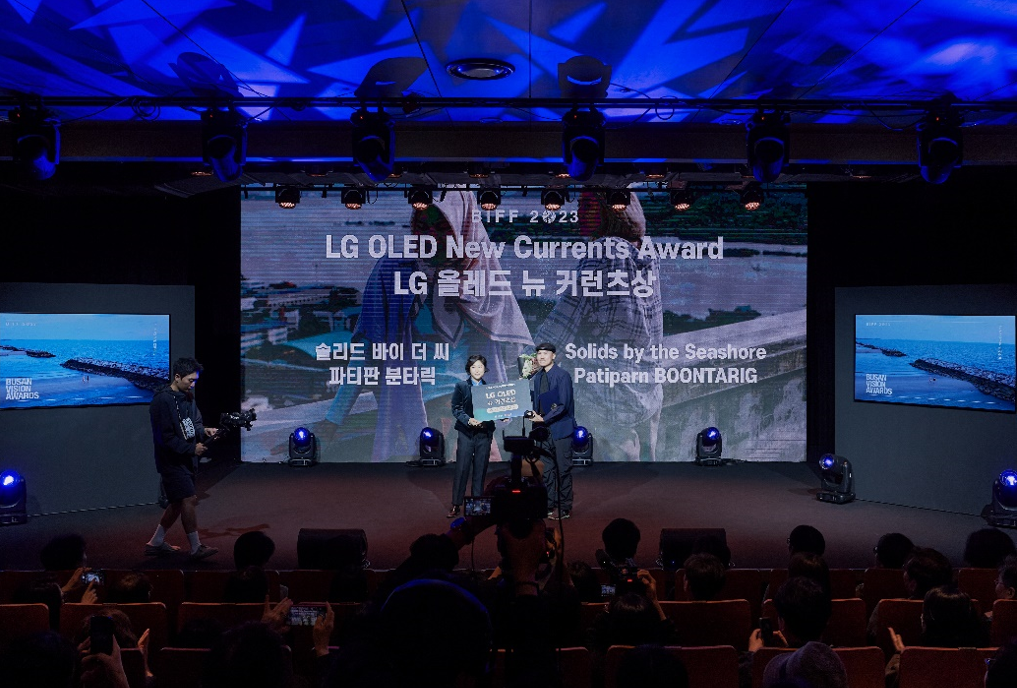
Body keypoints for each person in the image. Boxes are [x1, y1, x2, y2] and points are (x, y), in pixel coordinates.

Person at [534, 191, 663, 461]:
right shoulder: (643, 250)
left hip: (607, 393)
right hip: (646, 389)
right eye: (579, 205)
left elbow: (561, 325)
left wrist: (525, 360)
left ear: (611, 211)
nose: (580, 212)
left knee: (608, 483)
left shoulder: (602, 251)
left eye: (589, 205)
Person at [145, 357, 219, 560]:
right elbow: (165, 438)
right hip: (171, 461)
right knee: (188, 499)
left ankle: (155, 543)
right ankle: (196, 547)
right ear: (177, 377)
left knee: (177, 502)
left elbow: (192, 424)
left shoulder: (187, 398)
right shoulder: (162, 401)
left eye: (195, 381)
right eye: (189, 380)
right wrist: (191, 449)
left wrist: (205, 430)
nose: (192, 385)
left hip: (185, 459)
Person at [529, 342, 576, 519]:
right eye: (539, 353)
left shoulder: (562, 376)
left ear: (553, 356)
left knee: (563, 469)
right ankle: (548, 505)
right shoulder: (537, 377)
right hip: (542, 431)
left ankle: (564, 506)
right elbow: (538, 402)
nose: (541, 356)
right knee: (547, 471)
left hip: (560, 430)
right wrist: (534, 415)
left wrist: (544, 418)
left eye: (545, 353)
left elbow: (563, 404)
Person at [447, 354, 496, 518]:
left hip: (484, 434)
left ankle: (477, 505)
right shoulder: (461, 386)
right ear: (469, 369)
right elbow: (456, 408)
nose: (477, 370)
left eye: (480, 367)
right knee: (462, 469)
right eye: (474, 367)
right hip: (466, 433)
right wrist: (468, 420)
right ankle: (456, 504)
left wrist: (503, 414)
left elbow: (493, 411)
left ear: (485, 369)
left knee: (480, 470)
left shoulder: (490, 389)